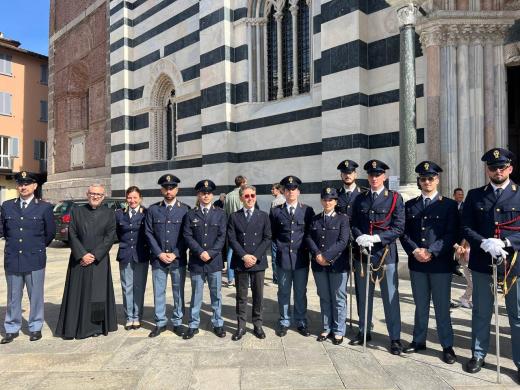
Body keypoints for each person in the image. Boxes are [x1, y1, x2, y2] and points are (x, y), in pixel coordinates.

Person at [462, 148, 520, 381]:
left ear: (510, 168)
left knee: (517, 315)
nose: (498, 171)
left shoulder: (519, 194)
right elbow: (465, 226)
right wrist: (484, 242)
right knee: (481, 312)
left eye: (502, 167)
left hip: (514, 265)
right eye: (493, 167)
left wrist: (506, 241)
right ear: (487, 169)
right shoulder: (475, 195)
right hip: (483, 262)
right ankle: (478, 354)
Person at [399, 161, 458, 364]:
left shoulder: (449, 205)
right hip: (417, 263)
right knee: (420, 305)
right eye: (423, 179)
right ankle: (418, 340)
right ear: (419, 181)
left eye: (430, 178)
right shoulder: (410, 205)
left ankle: (447, 345)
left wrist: (431, 251)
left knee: (442, 307)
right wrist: (415, 250)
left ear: (437, 180)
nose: (427, 182)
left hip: (440, 264)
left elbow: (452, 234)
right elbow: (404, 233)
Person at [350, 160, 405, 355]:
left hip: (385, 255)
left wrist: (377, 237)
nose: (374, 178)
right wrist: (360, 237)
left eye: (378, 174)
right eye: (371, 175)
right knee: (364, 296)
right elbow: (354, 223)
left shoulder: (394, 198)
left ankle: (395, 337)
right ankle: (364, 330)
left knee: (390, 298)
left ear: (385, 176)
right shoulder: (360, 198)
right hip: (364, 255)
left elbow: (399, 227)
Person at [55, 183, 117, 339]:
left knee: (97, 294)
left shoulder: (109, 213)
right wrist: (82, 254)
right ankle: (74, 326)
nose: (95, 196)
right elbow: (72, 234)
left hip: (99, 260)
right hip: (79, 259)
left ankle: (95, 327)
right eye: (92, 193)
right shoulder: (77, 211)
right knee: (78, 293)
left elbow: (110, 237)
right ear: (87, 194)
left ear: (104, 197)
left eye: (99, 194)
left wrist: (95, 255)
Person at [0, 171, 55, 344]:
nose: (23, 187)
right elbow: (3, 230)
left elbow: (50, 233)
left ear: (34, 186)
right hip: (13, 257)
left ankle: (35, 327)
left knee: (36, 295)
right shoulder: (7, 206)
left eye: (27, 184)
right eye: (20, 184)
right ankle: (11, 327)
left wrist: (36, 248)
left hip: (34, 259)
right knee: (13, 296)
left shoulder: (44, 207)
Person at [270, 175, 315, 338]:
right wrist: (281, 249)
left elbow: (310, 233)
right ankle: (284, 321)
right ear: (283, 191)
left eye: (293, 189)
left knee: (300, 292)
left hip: (301, 259)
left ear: (298, 191)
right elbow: (273, 234)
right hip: (283, 259)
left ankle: (301, 321)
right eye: (288, 189)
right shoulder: (276, 211)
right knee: (283, 291)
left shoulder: (307, 210)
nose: (290, 192)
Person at [145, 174, 189, 338]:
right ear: (161, 190)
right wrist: (159, 253)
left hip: (178, 259)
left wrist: (176, 253)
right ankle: (160, 322)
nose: (169, 191)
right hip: (158, 259)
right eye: (166, 188)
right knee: (159, 291)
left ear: (177, 189)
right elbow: (148, 233)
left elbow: (187, 235)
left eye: (172, 188)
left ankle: (177, 322)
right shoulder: (153, 209)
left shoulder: (185, 210)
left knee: (178, 291)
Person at [183, 180, 227, 339]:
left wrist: (212, 252)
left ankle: (218, 323)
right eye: (203, 192)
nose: (206, 195)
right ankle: (193, 324)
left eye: (208, 193)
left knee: (216, 294)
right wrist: (200, 251)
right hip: (197, 260)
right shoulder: (190, 214)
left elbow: (222, 236)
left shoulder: (220, 213)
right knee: (196, 295)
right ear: (198, 195)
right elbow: (187, 236)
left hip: (214, 261)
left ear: (212, 194)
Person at [227, 185, 271, 340]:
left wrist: (254, 257)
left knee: (258, 295)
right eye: (246, 196)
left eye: (252, 195)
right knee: (241, 296)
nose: (250, 198)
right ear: (241, 198)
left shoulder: (263, 215)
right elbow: (232, 239)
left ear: (256, 197)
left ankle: (257, 325)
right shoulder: (234, 216)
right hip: (241, 261)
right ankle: (241, 326)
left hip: (257, 262)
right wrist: (244, 256)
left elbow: (267, 238)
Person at [307, 187, 349, 345]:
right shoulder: (315, 219)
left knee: (339, 298)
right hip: (319, 264)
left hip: (338, 264)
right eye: (325, 199)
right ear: (321, 201)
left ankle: (339, 330)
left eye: (331, 199)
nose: (327, 202)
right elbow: (309, 237)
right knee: (324, 297)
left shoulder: (342, 219)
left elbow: (343, 241)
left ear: (336, 201)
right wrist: (317, 254)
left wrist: (326, 256)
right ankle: (326, 327)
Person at [115, 186, 149, 330]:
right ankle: (129, 317)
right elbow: (116, 233)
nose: (132, 200)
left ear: (140, 198)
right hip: (125, 254)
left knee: (139, 287)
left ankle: (137, 316)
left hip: (141, 255)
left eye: (135, 197)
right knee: (126, 287)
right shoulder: (119, 214)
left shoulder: (146, 213)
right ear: (126, 199)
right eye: (129, 198)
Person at [224, 175, 248, 288]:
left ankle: (230, 278)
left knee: (231, 252)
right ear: (242, 183)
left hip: (230, 225)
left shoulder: (228, 196)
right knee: (244, 250)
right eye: (246, 182)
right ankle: (244, 277)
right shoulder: (243, 194)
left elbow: (225, 212)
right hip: (243, 226)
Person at [270, 183, 286, 284]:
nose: (271, 191)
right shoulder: (284, 199)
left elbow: (272, 219)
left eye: (273, 189)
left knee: (275, 256)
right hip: (282, 234)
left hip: (275, 234)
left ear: (278, 190)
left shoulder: (276, 201)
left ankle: (276, 277)